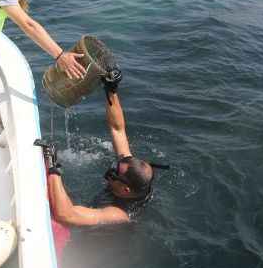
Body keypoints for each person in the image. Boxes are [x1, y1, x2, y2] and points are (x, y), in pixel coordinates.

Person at [42, 70, 168, 226]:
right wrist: (111, 90)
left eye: (113, 174)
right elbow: (118, 129)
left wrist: (53, 167)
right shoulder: (128, 171)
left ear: (125, 189)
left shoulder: (118, 213)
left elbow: (66, 215)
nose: (110, 173)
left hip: (99, 239)